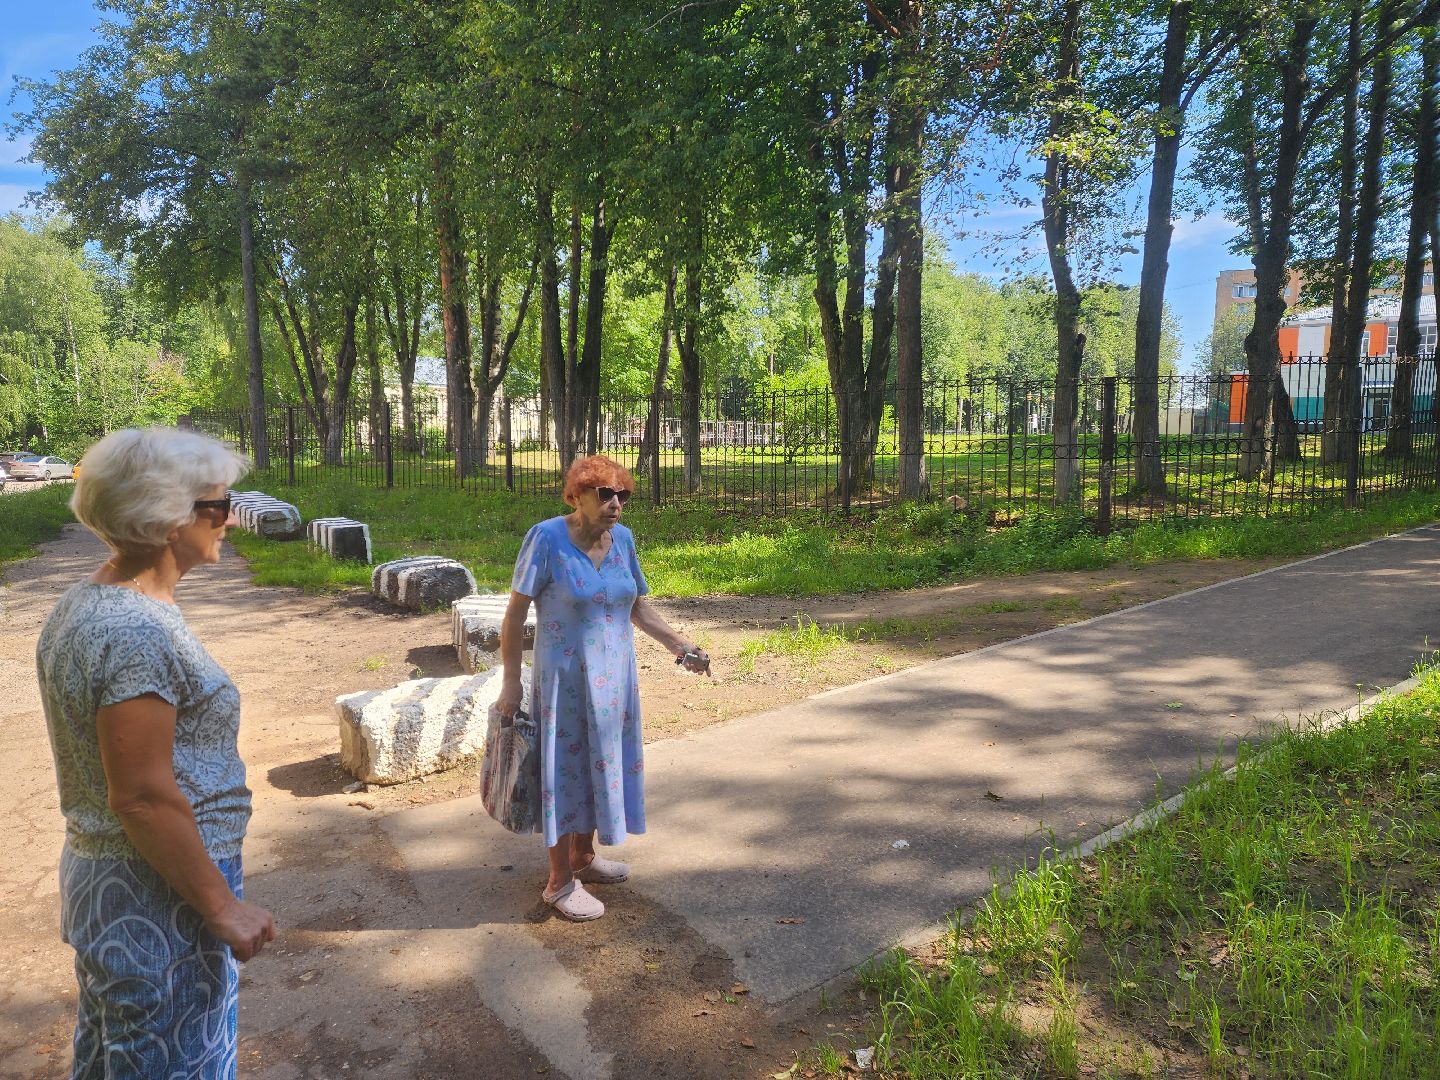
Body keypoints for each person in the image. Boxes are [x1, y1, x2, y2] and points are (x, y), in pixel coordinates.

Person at [36, 427, 276, 1078]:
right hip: (156, 897)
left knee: (118, 1057)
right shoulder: (136, 631)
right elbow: (141, 794)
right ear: (171, 519)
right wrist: (220, 905)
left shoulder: (90, 602)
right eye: (219, 506)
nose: (231, 519)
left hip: (118, 884)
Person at [496, 454, 709, 921]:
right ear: (577, 495)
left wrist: (682, 646)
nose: (616, 503)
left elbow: (639, 609)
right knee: (561, 772)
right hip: (563, 683)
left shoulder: (624, 541)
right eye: (605, 494)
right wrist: (511, 682)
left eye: (623, 495)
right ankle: (558, 882)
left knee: (597, 765)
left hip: (614, 683)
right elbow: (514, 616)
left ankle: (583, 858)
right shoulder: (547, 538)